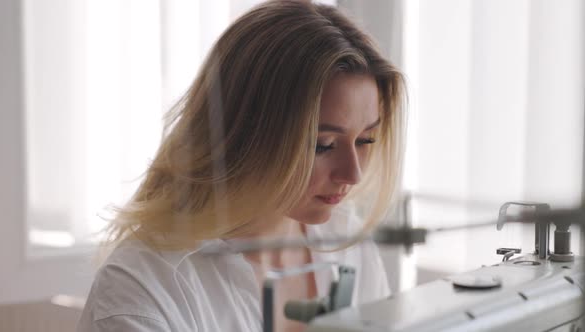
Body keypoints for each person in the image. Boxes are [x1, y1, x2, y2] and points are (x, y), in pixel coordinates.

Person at [77, 0, 405, 331]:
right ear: (248, 135)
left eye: (366, 140)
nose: (353, 173)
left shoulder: (347, 242)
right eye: (323, 145)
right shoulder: (147, 288)